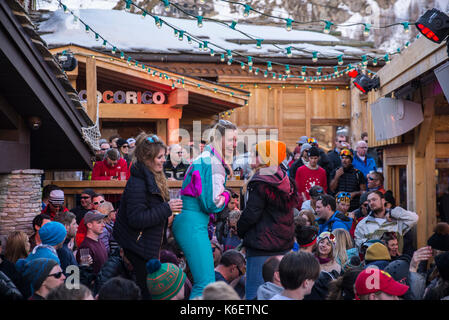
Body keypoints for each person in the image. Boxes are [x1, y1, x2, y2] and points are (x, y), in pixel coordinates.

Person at [173, 120, 237, 299]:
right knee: (205, 284)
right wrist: (226, 195)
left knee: (203, 280)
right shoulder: (212, 162)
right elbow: (211, 204)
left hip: (191, 222)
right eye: (231, 139)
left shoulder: (206, 158)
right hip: (192, 224)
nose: (234, 144)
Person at [113, 132, 181, 300]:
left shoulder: (152, 176)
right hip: (138, 247)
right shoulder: (138, 182)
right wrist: (167, 208)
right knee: (147, 293)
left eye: (164, 156)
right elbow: (136, 219)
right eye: (159, 157)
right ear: (147, 158)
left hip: (146, 245)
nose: (163, 160)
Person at [237, 139, 299, 300]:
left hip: (261, 245)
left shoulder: (260, 181)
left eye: (257, 154)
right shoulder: (285, 178)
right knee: (281, 293)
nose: (253, 157)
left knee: (255, 293)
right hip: (283, 244)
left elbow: (251, 214)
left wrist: (240, 229)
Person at [354, 190, 418, 251]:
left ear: (383, 200)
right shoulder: (363, 224)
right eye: (369, 201)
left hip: (396, 260)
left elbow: (414, 218)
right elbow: (359, 246)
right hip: (374, 261)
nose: (371, 203)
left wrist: (392, 213)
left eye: (374, 200)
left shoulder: (396, 220)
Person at [76, 210, 108, 275]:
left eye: (103, 222)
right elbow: (85, 274)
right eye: (99, 222)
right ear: (89, 225)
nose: (103, 225)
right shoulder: (85, 247)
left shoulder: (100, 242)